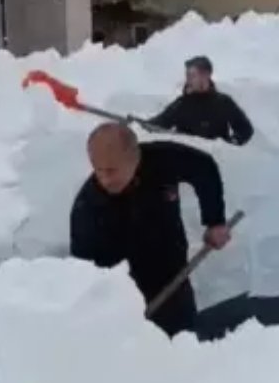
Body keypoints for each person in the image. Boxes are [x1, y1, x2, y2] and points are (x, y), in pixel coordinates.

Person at [69, 122, 232, 338]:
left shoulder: (162, 161)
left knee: (185, 346)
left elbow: (203, 167)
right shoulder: (88, 209)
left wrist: (215, 221)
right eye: (97, 169)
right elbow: (84, 274)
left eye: (111, 170)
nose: (104, 179)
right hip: (126, 301)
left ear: (134, 158)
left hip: (173, 277)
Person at [147, 55, 255, 145]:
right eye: (187, 75)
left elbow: (245, 129)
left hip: (215, 164)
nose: (188, 79)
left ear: (206, 75)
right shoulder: (182, 104)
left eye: (192, 75)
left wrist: (230, 145)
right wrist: (137, 126)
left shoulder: (223, 102)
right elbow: (158, 124)